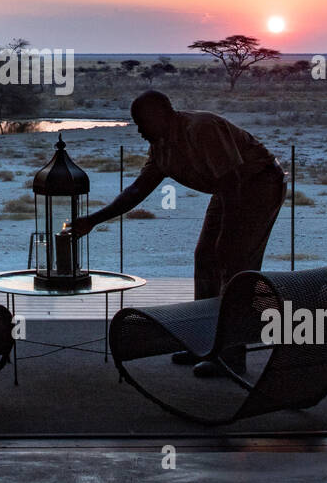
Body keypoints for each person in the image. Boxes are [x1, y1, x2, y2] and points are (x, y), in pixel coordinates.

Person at [70, 90, 286, 377]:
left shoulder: (202, 129)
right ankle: (205, 343)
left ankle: (231, 356)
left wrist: (227, 235)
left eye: (141, 123)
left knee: (235, 264)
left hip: (258, 185)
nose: (139, 131)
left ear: (160, 116)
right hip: (228, 192)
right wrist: (93, 220)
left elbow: (232, 180)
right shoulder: (162, 147)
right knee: (205, 257)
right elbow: (138, 190)